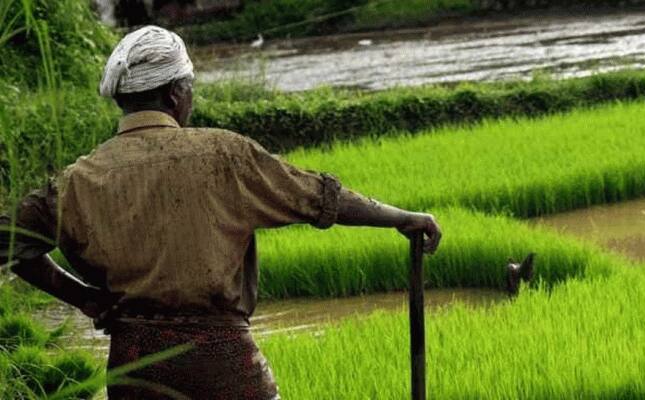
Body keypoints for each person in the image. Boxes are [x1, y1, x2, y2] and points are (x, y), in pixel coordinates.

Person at [0, 26, 441, 399]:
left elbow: (11, 243)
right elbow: (318, 197)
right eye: (189, 89)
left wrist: (84, 298)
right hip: (221, 358)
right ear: (176, 95)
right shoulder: (222, 154)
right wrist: (403, 217)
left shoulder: (79, 178)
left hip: (134, 365)